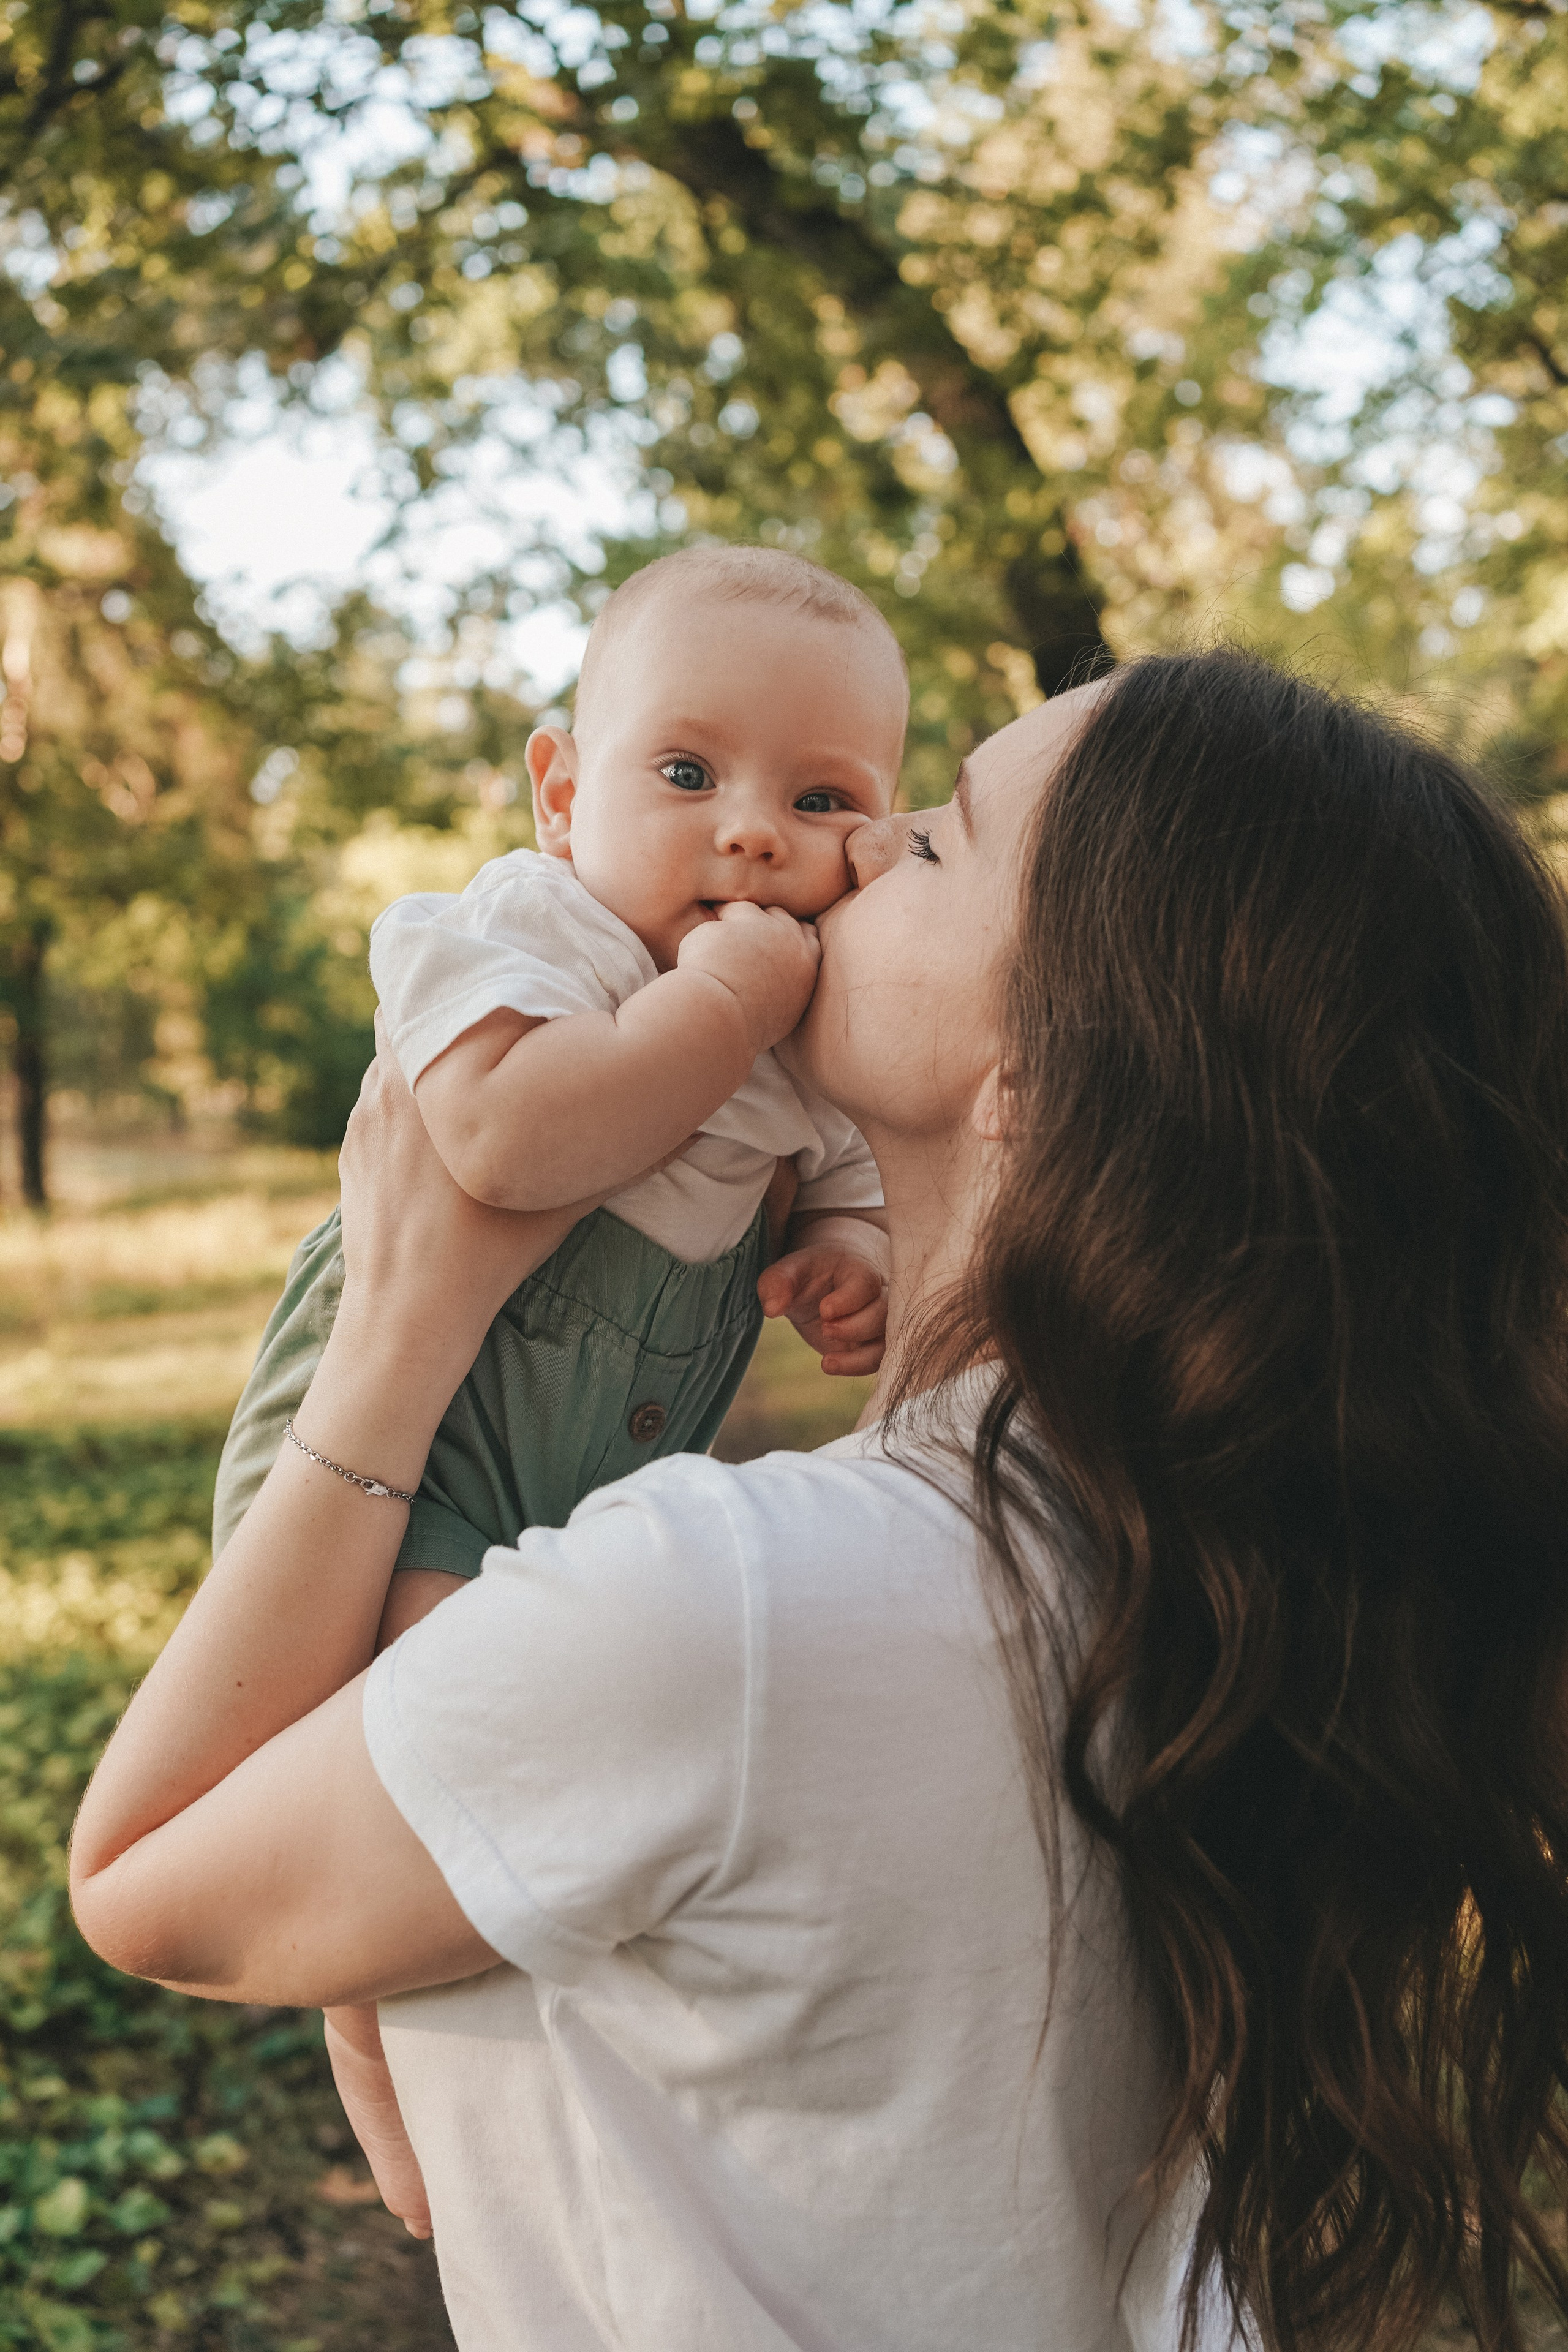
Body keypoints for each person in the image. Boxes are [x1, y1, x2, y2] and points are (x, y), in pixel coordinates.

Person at [69, 650, 1568, 2352]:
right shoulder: (1209, 1570)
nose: (854, 851)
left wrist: (403, 1329)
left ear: (1049, 1075)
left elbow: (144, 1879)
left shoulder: (738, 1612)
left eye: (935, 842)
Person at [212, 543, 902, 1592]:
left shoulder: (812, 1010)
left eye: (821, 801)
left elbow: (852, 1175)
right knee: (420, 1710)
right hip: (397, 1457)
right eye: (687, 774)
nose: (755, 831)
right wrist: (720, 1006)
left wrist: (850, 1251)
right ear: (563, 795)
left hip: (596, 1502)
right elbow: (503, 1143)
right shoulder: (537, 928)